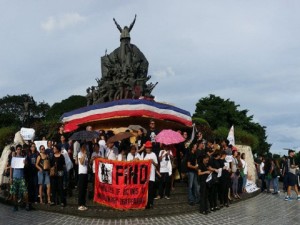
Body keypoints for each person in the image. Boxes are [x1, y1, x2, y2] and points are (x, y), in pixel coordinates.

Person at [10, 145, 30, 211]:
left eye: (20, 149)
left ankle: (27, 205)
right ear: (16, 150)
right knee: (14, 193)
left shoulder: (23, 158)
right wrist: (11, 178)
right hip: (15, 177)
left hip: (21, 177)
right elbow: (11, 168)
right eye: (18, 149)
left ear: (21, 150)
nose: (19, 150)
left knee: (25, 192)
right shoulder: (14, 157)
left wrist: (25, 163)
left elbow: (26, 166)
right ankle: (15, 206)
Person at [143, 141, 158, 209]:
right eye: (146, 148)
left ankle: (150, 203)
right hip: (146, 176)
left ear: (151, 148)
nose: (147, 149)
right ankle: (147, 203)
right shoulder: (145, 155)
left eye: (148, 148)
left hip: (151, 176)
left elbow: (157, 165)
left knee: (150, 191)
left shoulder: (153, 154)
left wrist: (153, 162)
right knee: (146, 191)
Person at [78, 144, 89, 210]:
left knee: (84, 189)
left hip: (85, 173)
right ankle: (80, 204)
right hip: (81, 173)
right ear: (81, 148)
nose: (85, 148)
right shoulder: (80, 154)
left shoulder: (86, 154)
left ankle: (83, 203)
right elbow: (81, 162)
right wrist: (84, 155)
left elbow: (86, 163)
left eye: (85, 147)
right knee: (81, 189)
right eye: (84, 147)